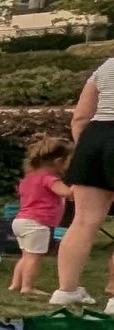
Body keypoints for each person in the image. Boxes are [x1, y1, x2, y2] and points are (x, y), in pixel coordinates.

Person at [51, 52, 114, 310]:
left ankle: (66, 290)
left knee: (83, 221)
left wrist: (86, 149)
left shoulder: (108, 65)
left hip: (94, 139)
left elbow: (79, 117)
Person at [11, 135, 73, 297]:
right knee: (34, 257)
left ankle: (15, 284)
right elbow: (66, 193)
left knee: (25, 255)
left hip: (21, 220)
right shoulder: (49, 179)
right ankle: (27, 287)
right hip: (37, 223)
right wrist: (78, 186)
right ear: (59, 161)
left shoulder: (29, 178)